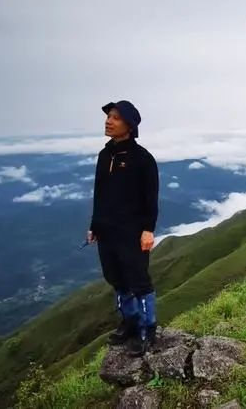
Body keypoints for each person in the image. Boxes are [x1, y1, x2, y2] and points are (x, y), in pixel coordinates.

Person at [86, 100, 159, 357]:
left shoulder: (143, 159)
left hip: (133, 233)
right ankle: (130, 321)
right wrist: (95, 225)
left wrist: (148, 230)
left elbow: (151, 198)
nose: (108, 121)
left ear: (129, 125)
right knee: (116, 278)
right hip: (107, 231)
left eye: (115, 117)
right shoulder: (105, 156)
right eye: (108, 116)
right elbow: (100, 193)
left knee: (138, 281)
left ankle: (147, 330)